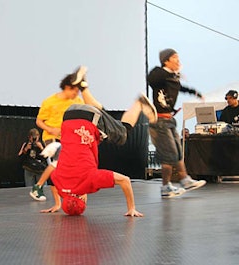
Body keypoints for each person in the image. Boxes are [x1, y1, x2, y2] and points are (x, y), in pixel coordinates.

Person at [39, 65, 157, 215]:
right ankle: (83, 87)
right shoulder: (62, 186)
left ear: (82, 198)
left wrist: (131, 208)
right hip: (68, 117)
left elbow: (125, 180)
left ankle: (139, 103)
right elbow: (52, 179)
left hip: (87, 120)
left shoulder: (90, 180)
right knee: (102, 114)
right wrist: (57, 203)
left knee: (123, 133)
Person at [148, 48, 206, 198]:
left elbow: (180, 87)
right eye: (175, 58)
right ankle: (166, 187)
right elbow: (151, 78)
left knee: (178, 152)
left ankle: (185, 180)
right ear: (166, 60)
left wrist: (195, 93)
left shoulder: (173, 78)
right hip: (159, 120)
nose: (178, 61)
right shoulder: (160, 75)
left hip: (169, 119)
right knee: (170, 154)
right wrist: (169, 71)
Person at [30, 66, 86, 202]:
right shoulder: (50, 101)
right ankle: (38, 187)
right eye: (75, 90)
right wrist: (51, 129)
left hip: (70, 137)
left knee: (66, 166)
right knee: (59, 162)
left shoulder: (78, 101)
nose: (76, 94)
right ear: (67, 87)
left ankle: (58, 195)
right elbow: (39, 121)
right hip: (52, 137)